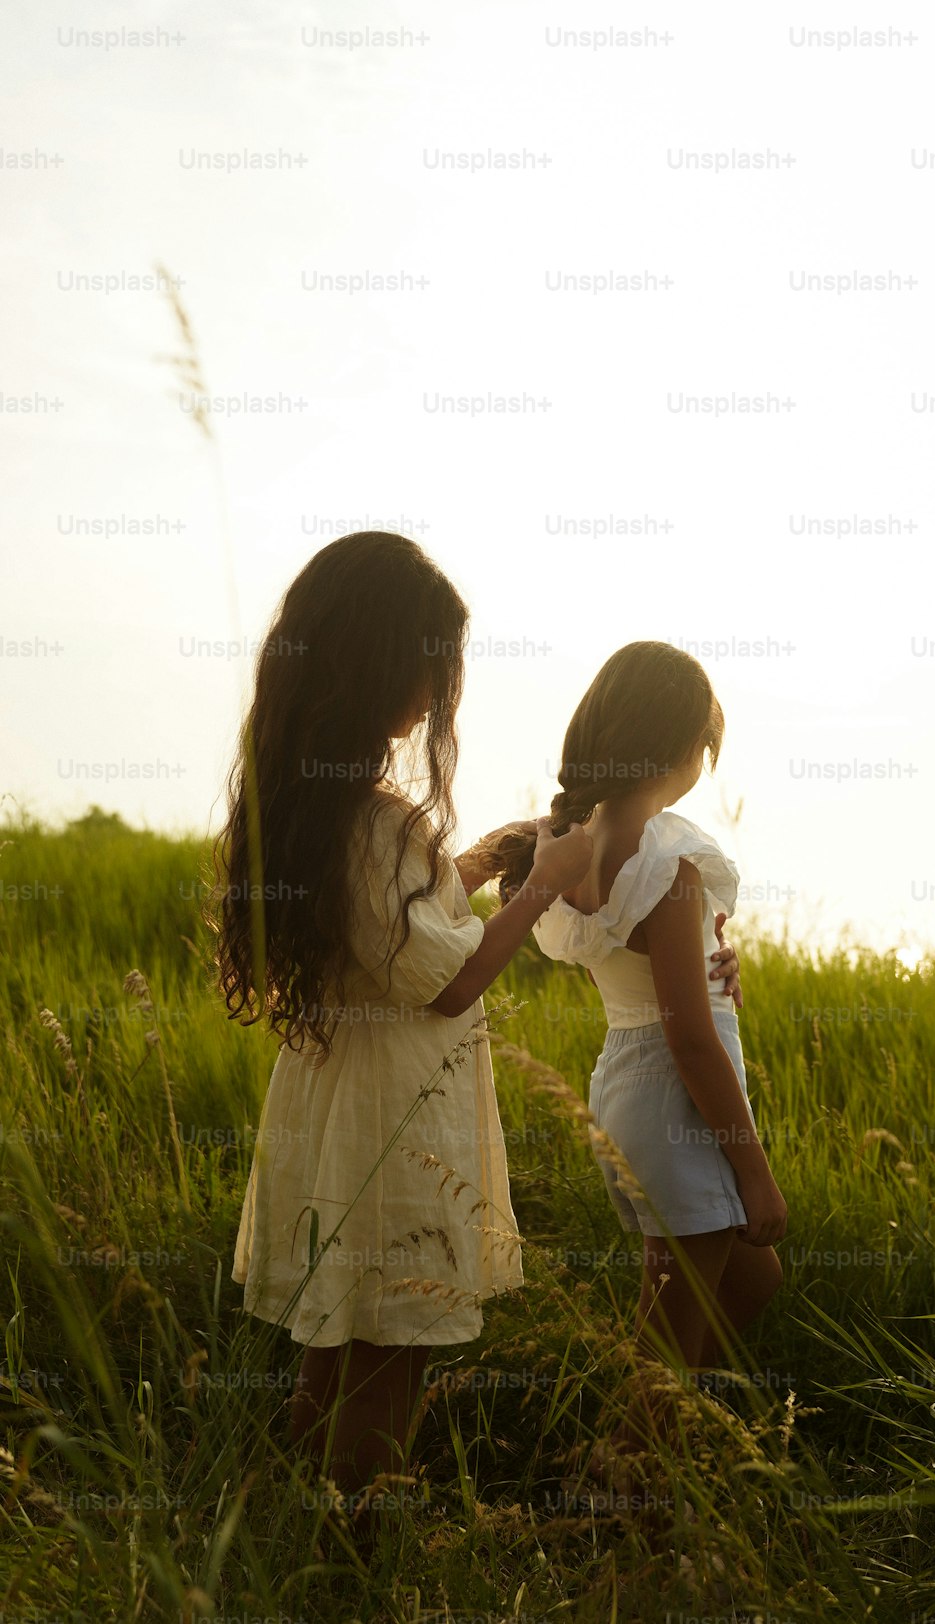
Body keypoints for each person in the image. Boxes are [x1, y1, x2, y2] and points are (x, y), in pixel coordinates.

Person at [213, 531, 593, 1531]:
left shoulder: (315, 799)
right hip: (395, 1121)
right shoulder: (374, 818)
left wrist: (470, 865)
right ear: (377, 658)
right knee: (390, 1354)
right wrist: (542, 884)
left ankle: (292, 1544)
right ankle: (354, 1553)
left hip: (340, 1104)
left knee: (337, 1349)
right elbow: (450, 980)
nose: (436, 692)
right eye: (429, 664)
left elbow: (390, 934)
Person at [484, 641, 786, 1492]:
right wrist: (755, 1172)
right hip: (676, 1099)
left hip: (626, 1085)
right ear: (685, 749)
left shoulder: (580, 846)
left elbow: (667, 988)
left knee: (751, 1278)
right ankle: (627, 1501)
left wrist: (714, 968)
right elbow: (691, 1038)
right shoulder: (671, 866)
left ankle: (662, 1437)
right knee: (669, 1345)